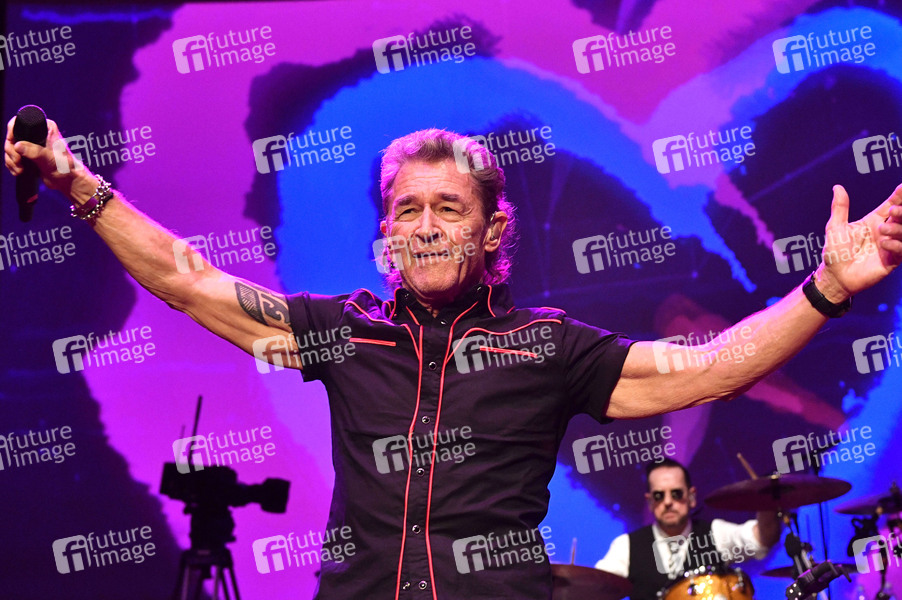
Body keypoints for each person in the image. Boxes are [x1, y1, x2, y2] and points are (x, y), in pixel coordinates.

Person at [5, 119, 902, 599]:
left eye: (448, 208)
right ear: (387, 232)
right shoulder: (344, 331)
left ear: (492, 230)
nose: (427, 226)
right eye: (408, 209)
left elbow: (715, 367)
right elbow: (187, 280)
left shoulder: (549, 345)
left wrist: (826, 287)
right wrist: (79, 184)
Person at [594, 458, 781, 600]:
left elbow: (762, 539)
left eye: (676, 494)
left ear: (691, 497)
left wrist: (766, 501)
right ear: (649, 502)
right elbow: (593, 586)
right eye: (659, 496)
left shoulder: (716, 533)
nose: (668, 502)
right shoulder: (626, 546)